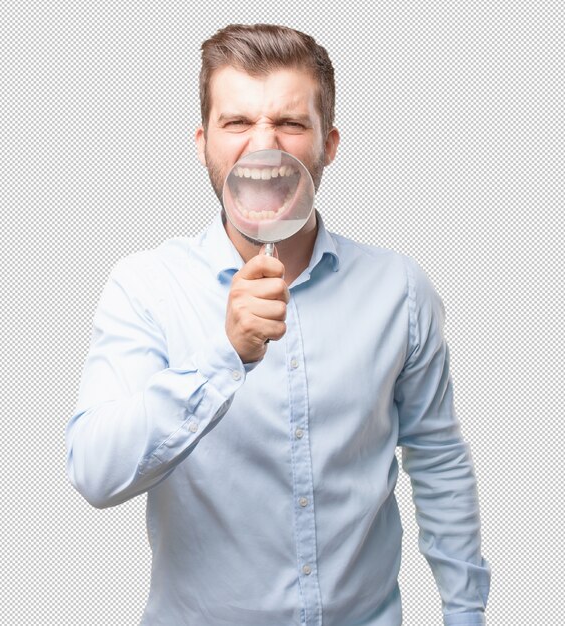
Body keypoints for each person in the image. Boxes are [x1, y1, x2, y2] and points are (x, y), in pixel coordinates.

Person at [65, 23, 491, 626]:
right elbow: (95, 472)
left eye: (290, 124)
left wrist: (466, 612)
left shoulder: (399, 290)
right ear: (203, 141)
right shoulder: (145, 289)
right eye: (237, 123)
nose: (264, 145)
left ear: (329, 142)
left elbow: (437, 456)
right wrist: (224, 355)